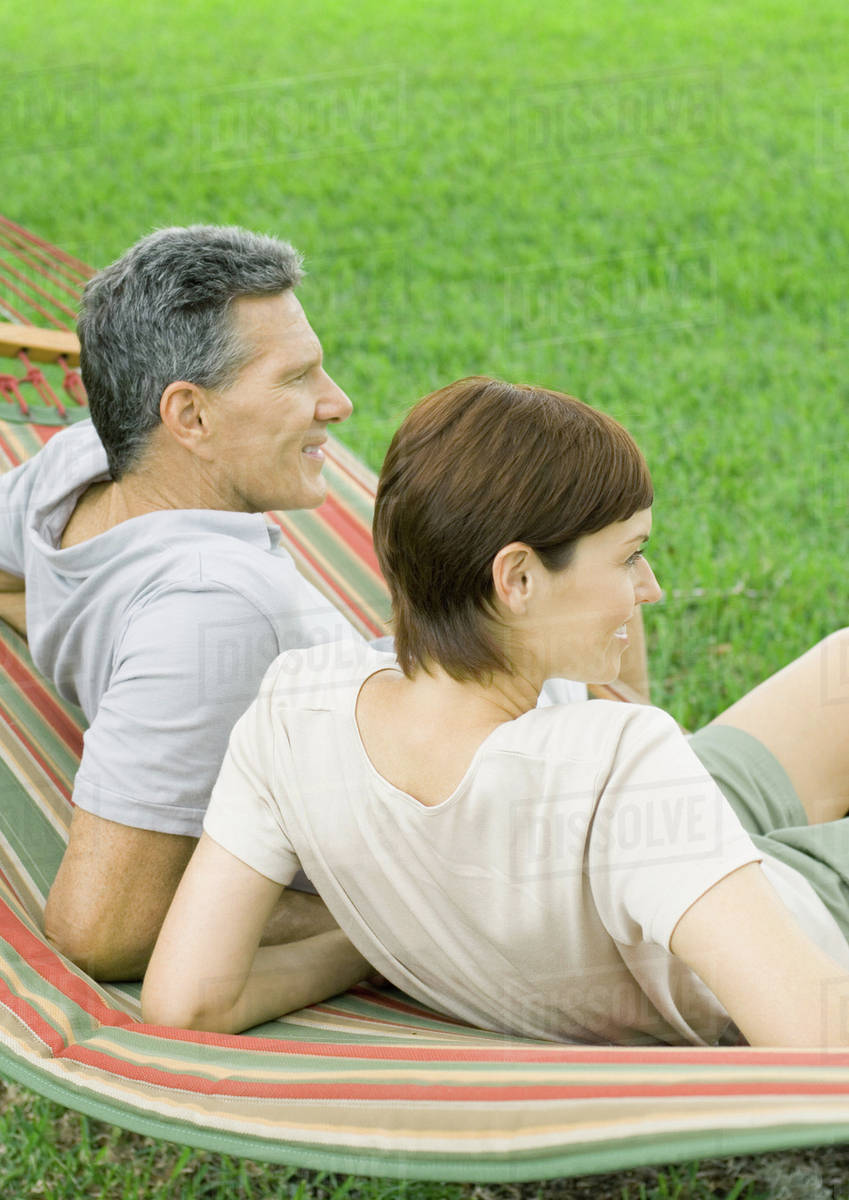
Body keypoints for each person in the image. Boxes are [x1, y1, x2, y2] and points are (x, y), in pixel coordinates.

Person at [142, 375, 849, 1047]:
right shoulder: (616, 765)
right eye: (629, 557)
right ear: (517, 578)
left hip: (668, 857)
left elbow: (188, 999)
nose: (652, 588)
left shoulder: (292, 710)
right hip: (788, 916)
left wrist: (375, 947)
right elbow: (818, 1040)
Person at [0, 225, 365, 981]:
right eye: (297, 378)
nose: (338, 404)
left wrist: (109, 654)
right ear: (189, 416)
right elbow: (99, 930)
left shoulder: (75, 465)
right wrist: (382, 933)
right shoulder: (210, 604)